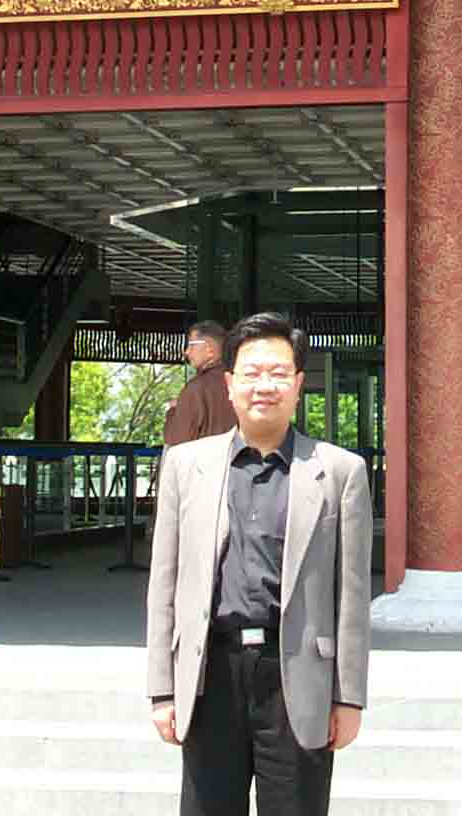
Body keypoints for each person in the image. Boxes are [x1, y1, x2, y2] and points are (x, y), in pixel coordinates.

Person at [145, 311, 372, 816]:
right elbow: (165, 583)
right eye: (251, 373)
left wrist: (349, 696)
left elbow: (352, 598)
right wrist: (162, 690)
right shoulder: (186, 465)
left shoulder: (340, 472)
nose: (263, 386)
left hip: (296, 677)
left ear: (298, 385)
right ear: (229, 385)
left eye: (277, 373)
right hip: (210, 674)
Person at [162, 320, 234, 448]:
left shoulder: (196, 388)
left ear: (209, 349)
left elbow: (177, 441)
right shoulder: (238, 383)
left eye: (191, 345)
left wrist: (173, 410)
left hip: (203, 460)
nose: (187, 352)